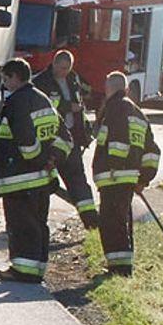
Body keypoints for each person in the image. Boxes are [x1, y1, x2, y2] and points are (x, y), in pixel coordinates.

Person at [0, 58, 60, 284]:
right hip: (40, 178)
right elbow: (58, 134)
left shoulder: (17, 102)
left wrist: (36, 159)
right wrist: (49, 160)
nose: (5, 84)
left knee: (21, 224)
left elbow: (26, 139)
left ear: (15, 77)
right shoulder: (42, 99)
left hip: (21, 176)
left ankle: (22, 270)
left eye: (5, 79)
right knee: (38, 222)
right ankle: (37, 267)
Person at [92, 71, 160, 276]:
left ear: (107, 88)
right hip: (129, 178)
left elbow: (117, 139)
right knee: (122, 222)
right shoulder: (138, 113)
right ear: (127, 89)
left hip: (114, 176)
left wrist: (114, 165)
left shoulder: (115, 108)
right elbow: (152, 151)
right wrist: (144, 178)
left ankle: (119, 269)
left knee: (111, 223)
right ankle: (122, 267)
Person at [33, 50, 99, 229]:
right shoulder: (40, 82)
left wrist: (85, 133)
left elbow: (81, 105)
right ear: (54, 64)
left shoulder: (73, 79)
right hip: (50, 142)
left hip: (72, 141)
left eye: (68, 69)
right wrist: (68, 106)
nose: (65, 72)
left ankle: (91, 221)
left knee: (78, 180)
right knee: (43, 183)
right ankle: (37, 223)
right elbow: (41, 108)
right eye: (62, 68)